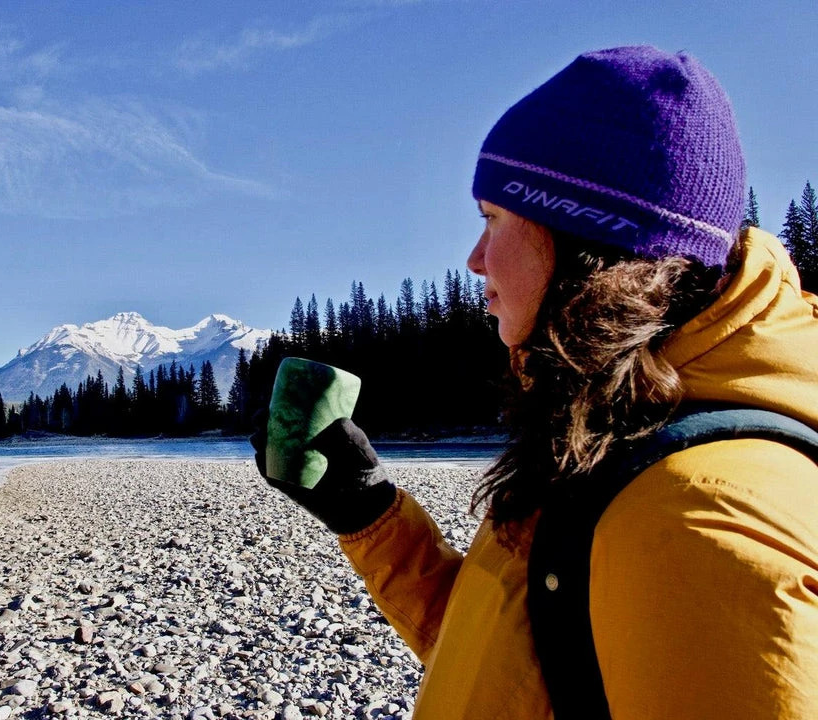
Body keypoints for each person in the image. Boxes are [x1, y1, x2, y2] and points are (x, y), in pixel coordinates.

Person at [251, 46, 818, 718]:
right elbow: (521, 672)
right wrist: (369, 518)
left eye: (493, 219)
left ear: (583, 239)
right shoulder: (614, 433)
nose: (473, 258)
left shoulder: (697, 526)